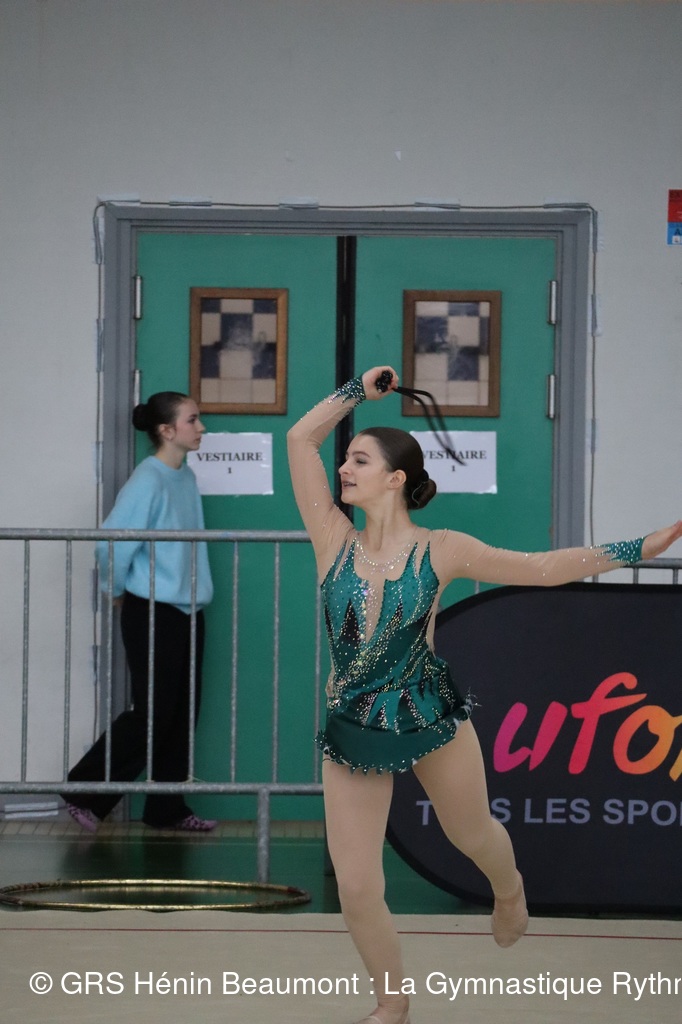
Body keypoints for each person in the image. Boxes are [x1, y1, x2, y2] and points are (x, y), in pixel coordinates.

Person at [287, 365, 682, 1024]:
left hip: (428, 713)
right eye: (346, 459)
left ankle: (509, 888)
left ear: (395, 479)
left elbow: (541, 569)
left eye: (359, 460)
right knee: (355, 883)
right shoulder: (332, 539)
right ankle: (392, 1000)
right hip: (354, 723)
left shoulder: (442, 549)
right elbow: (300, 438)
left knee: (470, 832)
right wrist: (357, 391)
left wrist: (636, 547)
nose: (344, 469)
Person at [64, 392, 217, 833]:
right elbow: (112, 541)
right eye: (193, 420)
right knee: (153, 712)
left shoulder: (184, 476)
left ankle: (167, 808)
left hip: (187, 610)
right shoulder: (148, 479)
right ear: (167, 431)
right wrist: (115, 590)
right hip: (153, 609)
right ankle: (83, 792)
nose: (201, 428)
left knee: (182, 712)